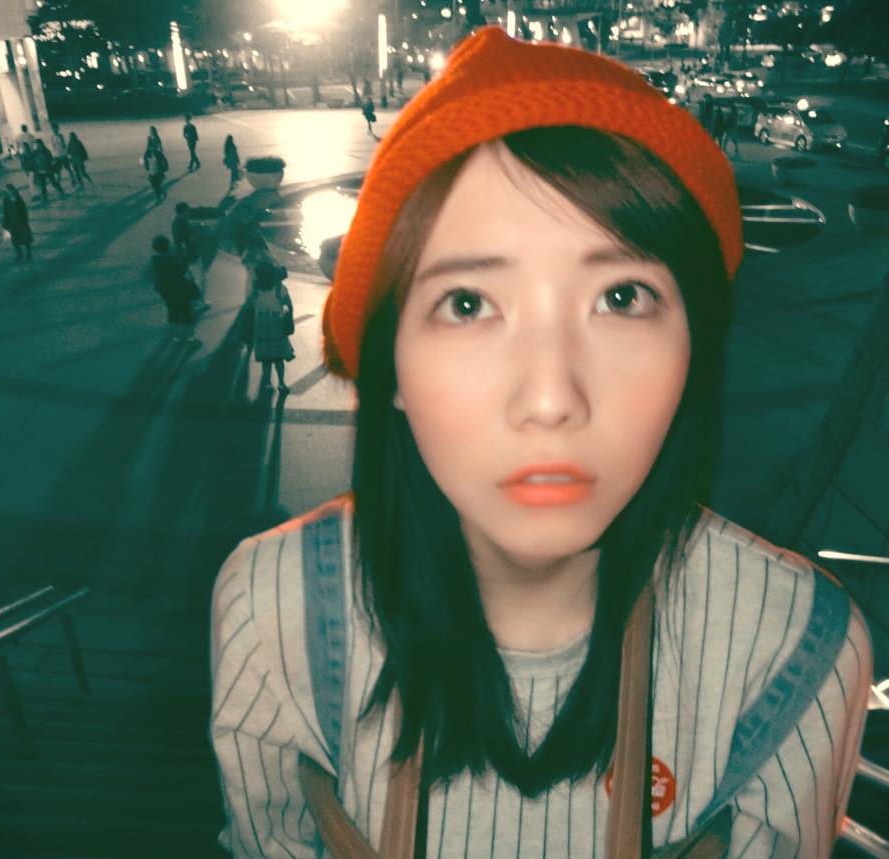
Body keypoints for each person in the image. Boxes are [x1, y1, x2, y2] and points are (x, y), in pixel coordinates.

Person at [209, 28, 871, 859]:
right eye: (467, 304)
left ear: (693, 349)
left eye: (622, 297)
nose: (553, 398)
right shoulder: (276, 613)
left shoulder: (794, 651)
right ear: (393, 369)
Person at [240, 258, 293, 394]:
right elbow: (287, 306)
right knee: (278, 359)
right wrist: (287, 317)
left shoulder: (256, 289)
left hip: (262, 326)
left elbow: (249, 306)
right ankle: (281, 383)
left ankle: (268, 383)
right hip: (277, 325)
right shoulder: (279, 288)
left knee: (266, 359)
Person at [150, 234, 200, 344]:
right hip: (180, 288)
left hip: (165, 289)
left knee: (172, 311)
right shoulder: (173, 259)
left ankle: (176, 336)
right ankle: (189, 337)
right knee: (186, 311)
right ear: (167, 246)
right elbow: (184, 271)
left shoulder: (155, 260)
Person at [1, 183, 32, 261]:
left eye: (10, 190)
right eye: (7, 191)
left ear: (13, 190)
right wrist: (5, 224)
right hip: (12, 223)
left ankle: (28, 254)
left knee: (25, 239)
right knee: (14, 240)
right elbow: (5, 212)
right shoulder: (6, 200)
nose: (9, 192)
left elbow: (24, 211)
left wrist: (25, 221)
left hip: (21, 222)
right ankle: (19, 254)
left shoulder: (19, 199)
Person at [48, 121, 76, 187]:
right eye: (53, 129)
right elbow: (52, 147)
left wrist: (66, 154)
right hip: (57, 156)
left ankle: (73, 181)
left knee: (68, 169)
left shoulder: (61, 136)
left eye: (55, 128)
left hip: (63, 155)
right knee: (58, 171)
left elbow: (64, 145)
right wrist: (53, 156)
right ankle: (58, 183)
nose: (54, 130)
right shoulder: (51, 137)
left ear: (57, 129)